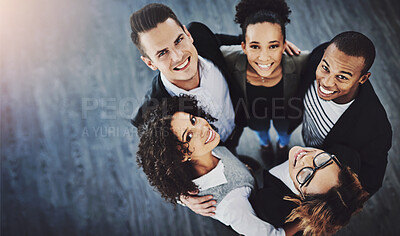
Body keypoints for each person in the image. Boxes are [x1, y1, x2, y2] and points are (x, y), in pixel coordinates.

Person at [136, 95, 369, 236]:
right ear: (182, 158)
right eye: (188, 136)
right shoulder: (232, 205)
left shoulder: (206, 145)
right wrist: (303, 222)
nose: (203, 128)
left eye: (193, 119)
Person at [129, 3, 299, 154]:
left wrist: (265, 46)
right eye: (162, 52)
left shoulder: (200, 34)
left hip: (238, 121)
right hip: (213, 151)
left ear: (188, 34)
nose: (178, 56)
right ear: (150, 63)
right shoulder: (152, 111)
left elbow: (218, 39)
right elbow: (157, 158)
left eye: (179, 40)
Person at [287, 31, 392, 196]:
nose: (326, 83)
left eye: (342, 77)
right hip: (307, 139)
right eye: (325, 68)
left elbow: (370, 183)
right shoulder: (319, 57)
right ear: (323, 56)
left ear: (363, 79)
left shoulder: (376, 129)